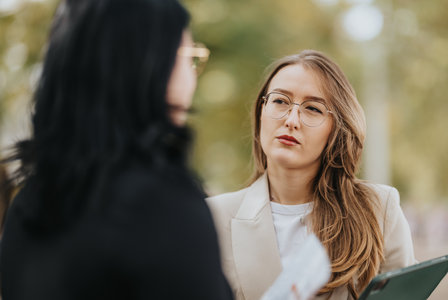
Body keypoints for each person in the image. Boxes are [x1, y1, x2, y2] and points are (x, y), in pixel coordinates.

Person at [0, 0, 232, 299]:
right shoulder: (161, 207)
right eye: (187, 57)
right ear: (149, 69)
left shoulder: (28, 206)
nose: (191, 77)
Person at [206, 50, 416, 300]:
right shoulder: (213, 217)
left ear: (337, 129)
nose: (291, 120)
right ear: (261, 110)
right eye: (280, 101)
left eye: (313, 109)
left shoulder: (378, 209)